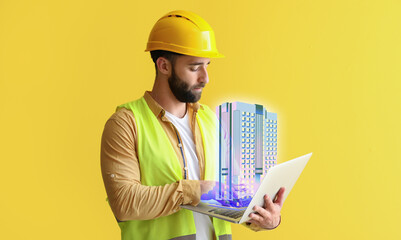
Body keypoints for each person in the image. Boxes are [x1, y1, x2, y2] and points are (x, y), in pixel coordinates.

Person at [101, 10, 284, 240]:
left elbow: (235, 200)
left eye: (207, 65)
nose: (205, 78)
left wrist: (266, 217)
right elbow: (125, 203)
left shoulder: (211, 120)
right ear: (163, 66)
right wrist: (196, 190)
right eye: (194, 67)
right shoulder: (126, 124)